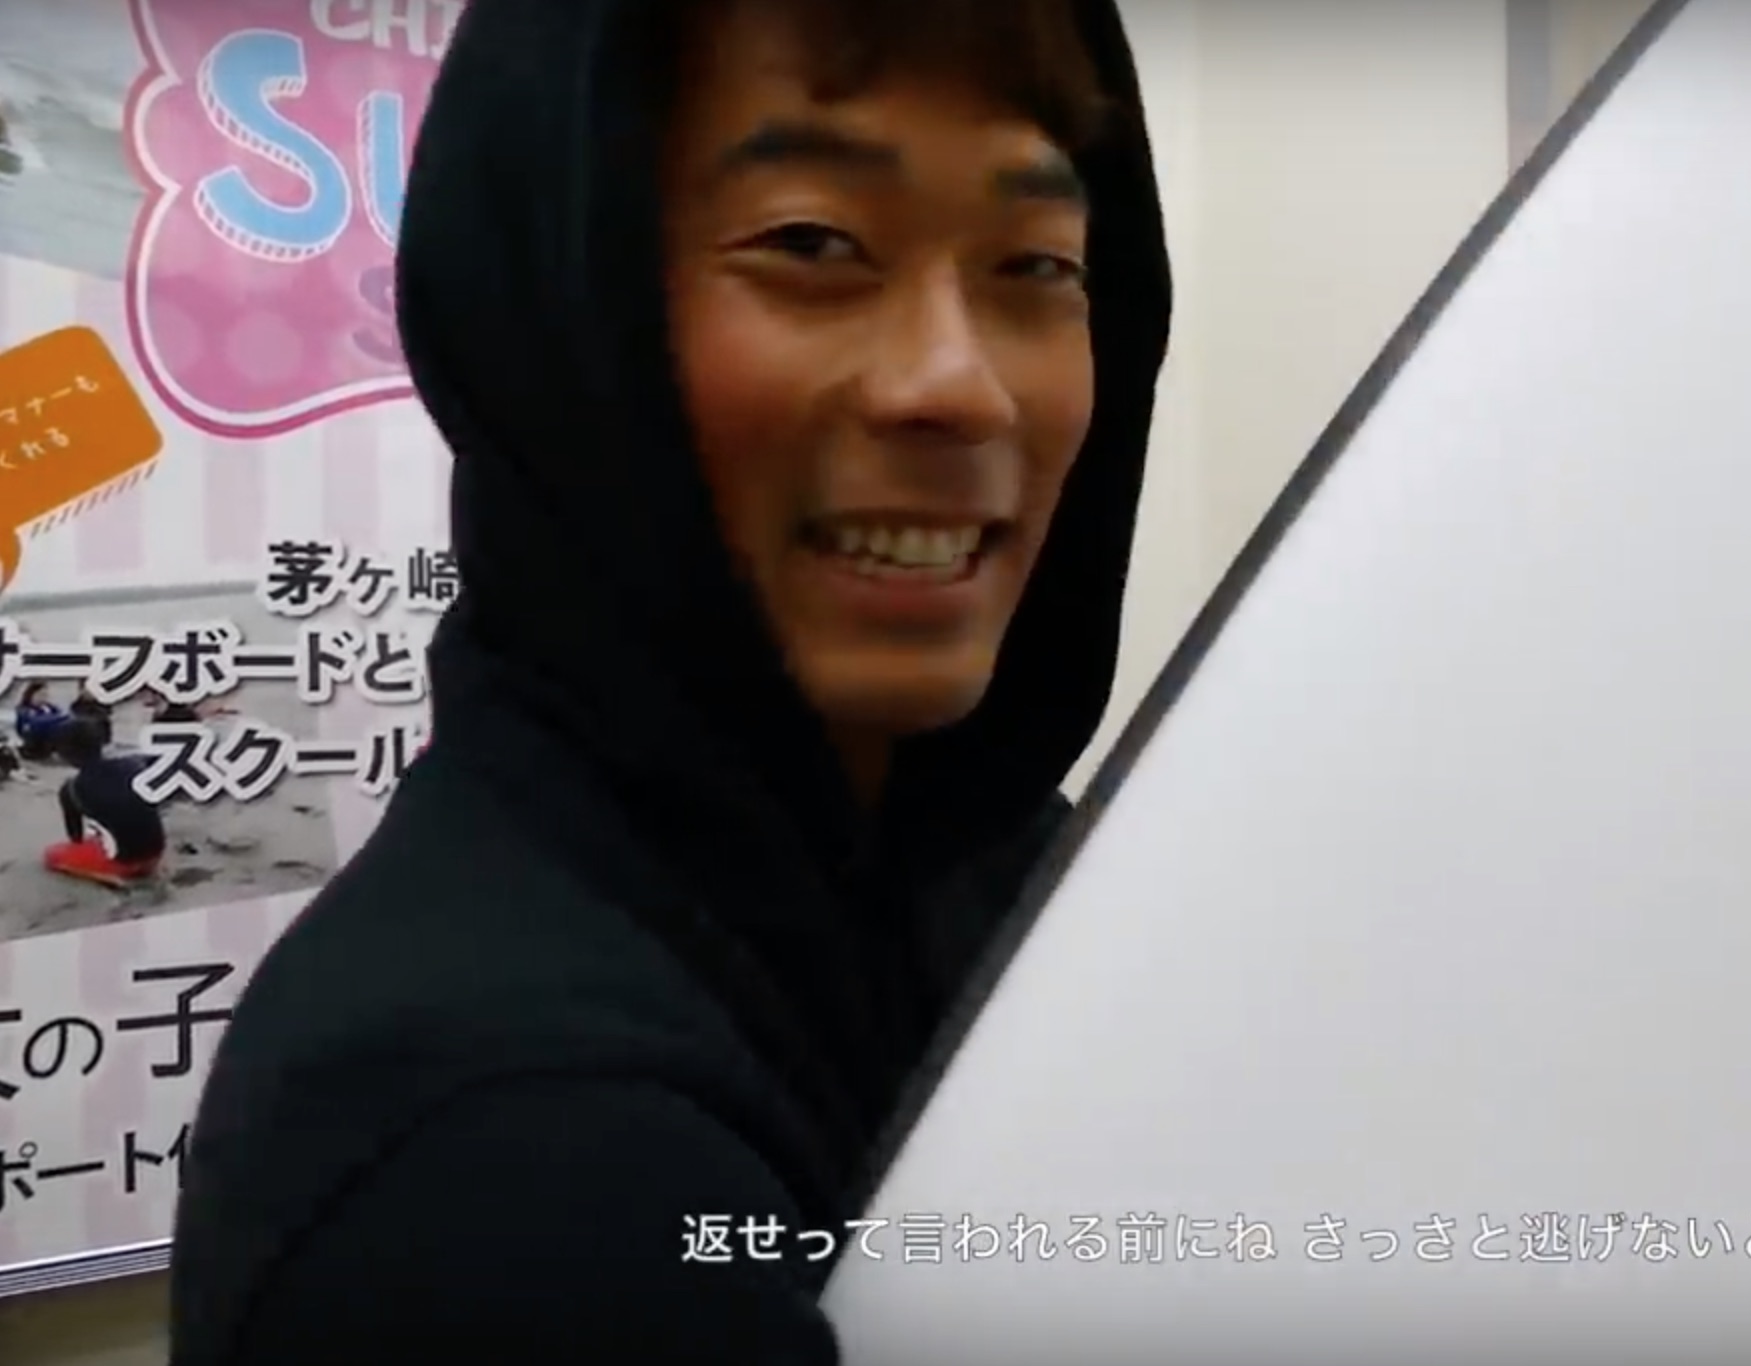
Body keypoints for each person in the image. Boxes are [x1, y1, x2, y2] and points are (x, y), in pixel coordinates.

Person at [166, 0, 1168, 1362]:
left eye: (1037, 263)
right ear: (557, 314)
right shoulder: (488, 1165)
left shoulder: (1021, 883)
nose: (962, 386)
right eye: (812, 242)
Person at [43, 715, 166, 888]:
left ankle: (106, 876)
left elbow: (76, 838)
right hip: (156, 851)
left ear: (63, 754)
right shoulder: (133, 765)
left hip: (123, 862)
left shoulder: (70, 789)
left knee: (51, 855)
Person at [12, 681, 69, 760]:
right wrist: (56, 719)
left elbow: (62, 715)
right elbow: (34, 721)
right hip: (34, 737)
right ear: (31, 695)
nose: (43, 698)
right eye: (40, 695)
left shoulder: (50, 708)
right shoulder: (24, 709)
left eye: (45, 695)